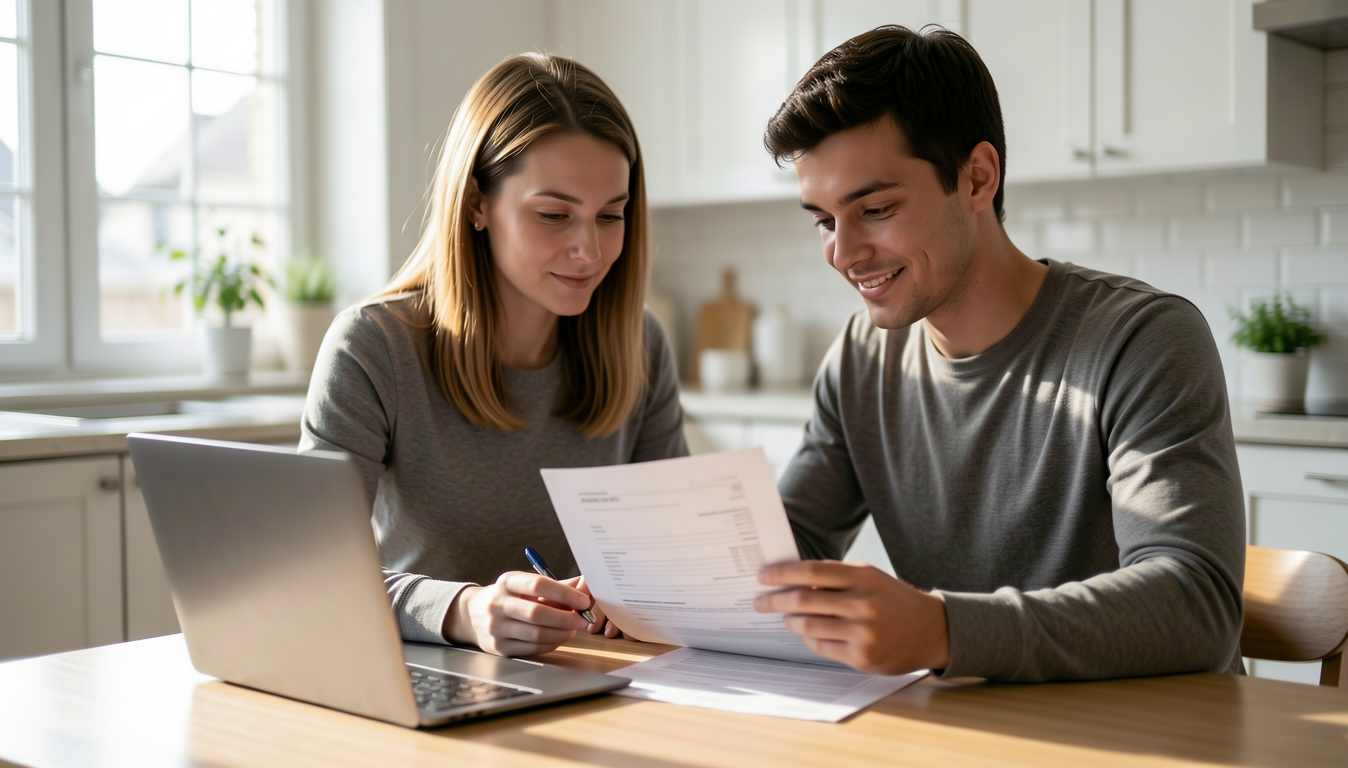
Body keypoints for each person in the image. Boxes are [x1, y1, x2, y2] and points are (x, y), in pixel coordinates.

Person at [751, 26, 1246, 682]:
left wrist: (945, 629)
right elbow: (789, 552)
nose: (842, 253)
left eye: (874, 208)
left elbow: (1195, 606)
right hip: (975, 733)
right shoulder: (861, 358)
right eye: (823, 220)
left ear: (978, 177)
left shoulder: (1142, 341)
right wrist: (643, 585)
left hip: (1153, 737)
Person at [301, 53, 687, 658]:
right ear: (478, 203)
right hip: (423, 676)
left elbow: (673, 552)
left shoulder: (641, 345)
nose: (588, 250)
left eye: (611, 216)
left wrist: (643, 589)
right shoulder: (372, 347)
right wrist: (464, 611)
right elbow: (310, 576)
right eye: (554, 215)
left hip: (596, 678)